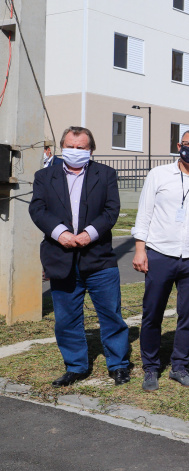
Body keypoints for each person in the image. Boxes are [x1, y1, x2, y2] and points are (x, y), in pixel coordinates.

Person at [28, 127, 130, 387]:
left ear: (90, 150)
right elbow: (38, 208)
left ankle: (118, 365)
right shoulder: (44, 176)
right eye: (70, 146)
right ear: (62, 147)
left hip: (99, 259)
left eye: (81, 147)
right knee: (66, 319)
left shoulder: (105, 174)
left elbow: (111, 210)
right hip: (60, 257)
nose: (75, 151)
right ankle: (75, 366)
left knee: (111, 315)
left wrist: (89, 234)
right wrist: (59, 232)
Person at [132, 129, 189, 392]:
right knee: (152, 314)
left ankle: (179, 367)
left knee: (188, 315)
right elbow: (144, 214)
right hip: (160, 253)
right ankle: (150, 368)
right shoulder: (158, 175)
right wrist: (140, 249)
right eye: (188, 144)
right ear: (178, 145)